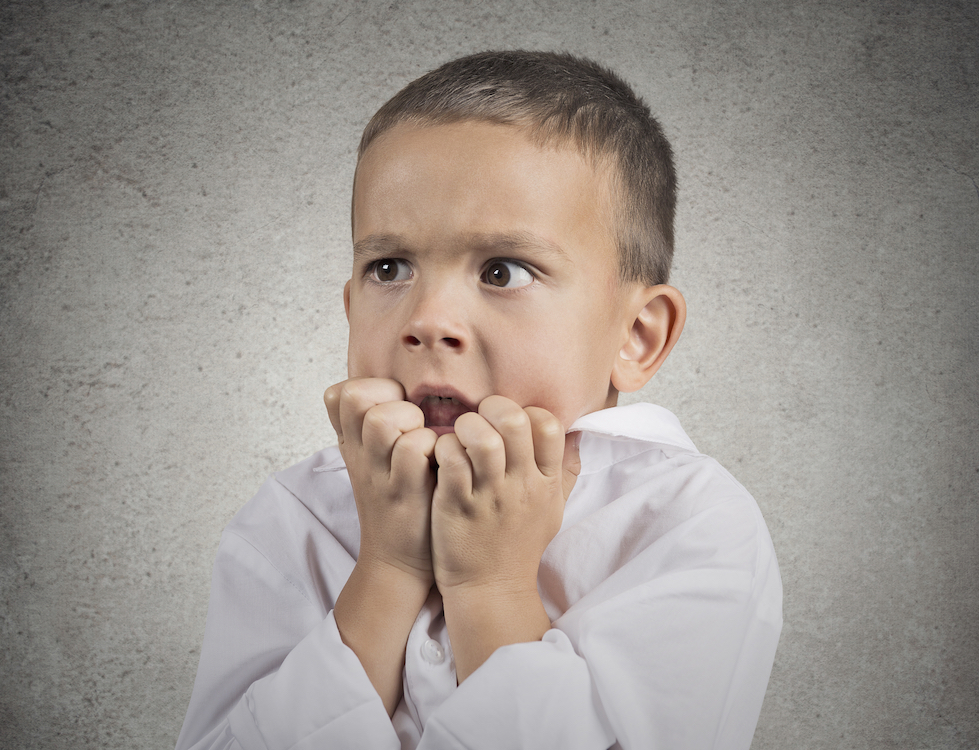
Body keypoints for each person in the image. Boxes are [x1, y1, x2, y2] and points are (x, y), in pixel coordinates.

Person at [176, 50, 782, 750]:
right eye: (389, 267)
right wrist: (388, 569)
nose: (427, 318)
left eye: (503, 270)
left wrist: (489, 584)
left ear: (637, 336)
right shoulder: (293, 517)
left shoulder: (692, 525)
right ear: (349, 309)